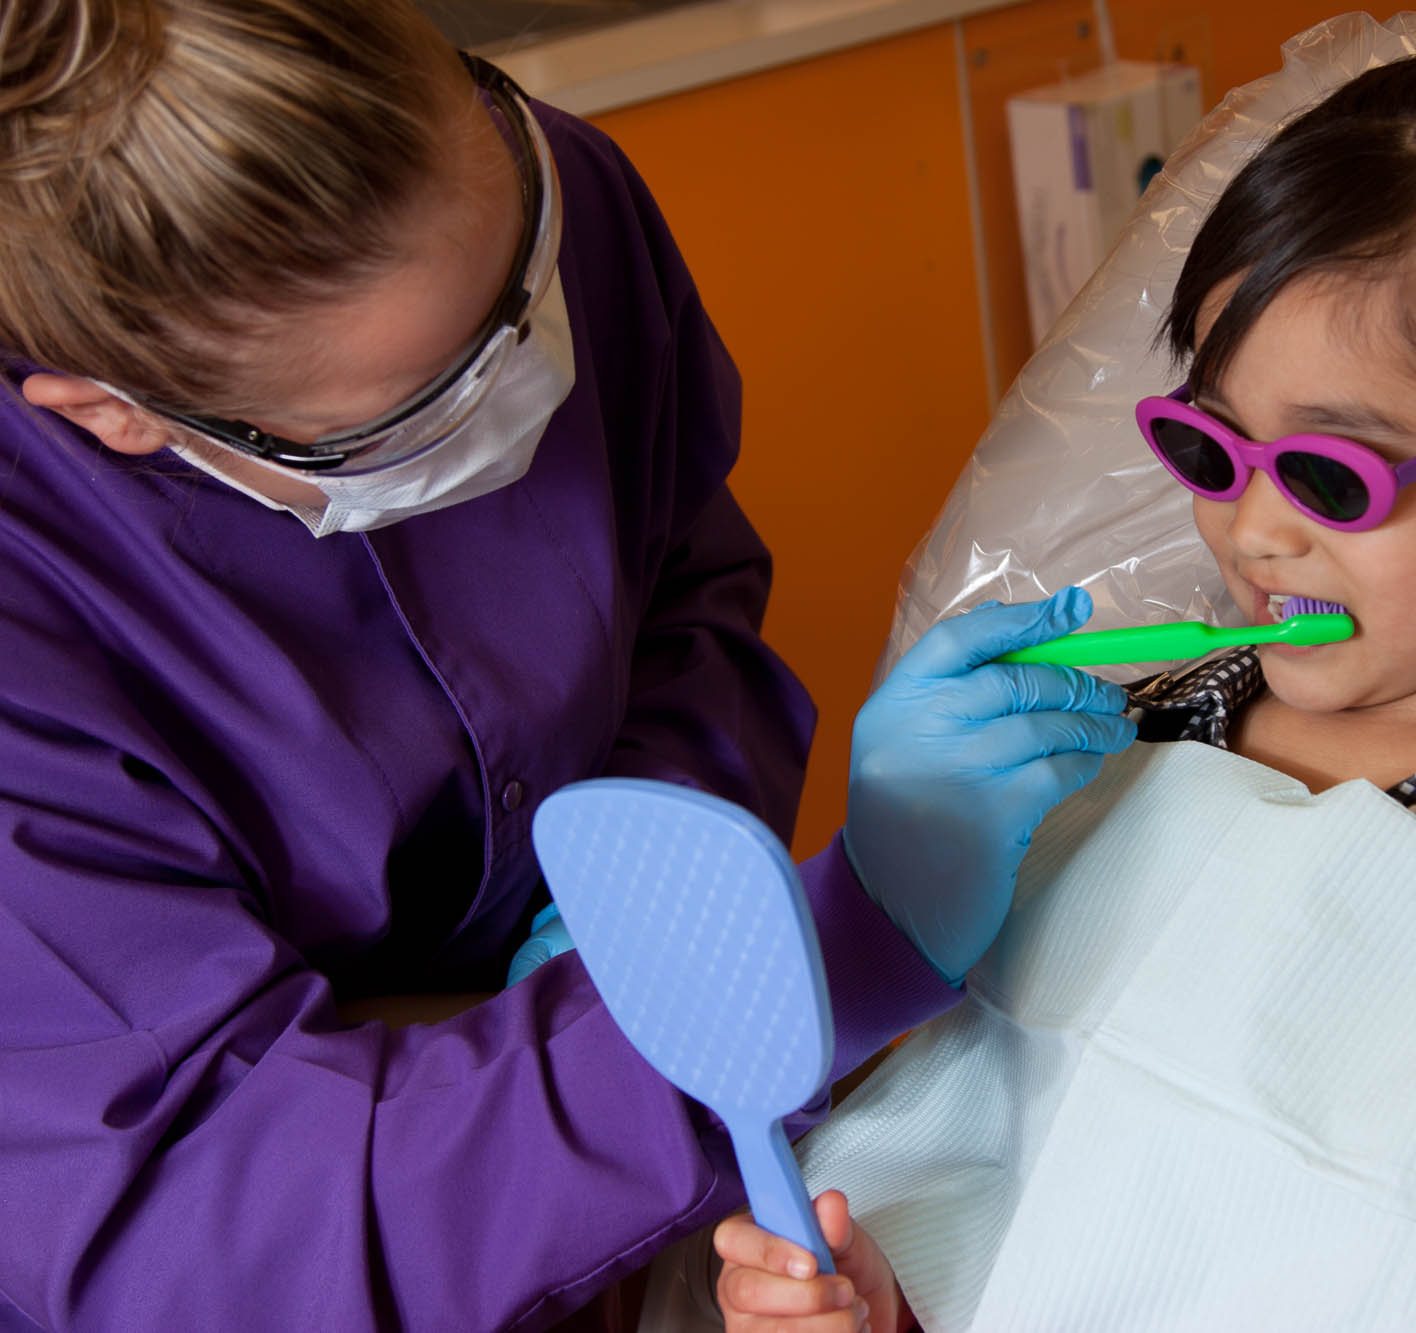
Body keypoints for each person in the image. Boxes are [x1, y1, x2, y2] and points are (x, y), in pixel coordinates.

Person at [0, 2, 1136, 1329]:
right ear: (115, 415)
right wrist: (807, 968)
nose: (531, 383)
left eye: (525, 288)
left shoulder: (534, 185)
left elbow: (681, 590)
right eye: (411, 414)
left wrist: (644, 869)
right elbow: (205, 1230)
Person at [716, 42, 1416, 1332]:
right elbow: (982, 1170)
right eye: (1211, 447)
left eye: (1337, 475)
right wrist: (864, 1297)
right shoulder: (1132, 735)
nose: (1255, 533)